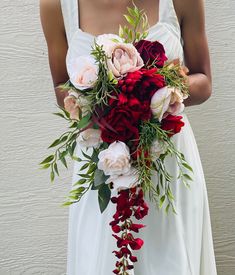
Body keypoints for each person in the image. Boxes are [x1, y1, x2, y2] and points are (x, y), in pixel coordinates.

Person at [40, 0, 218, 274]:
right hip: (101, 165)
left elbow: (203, 80)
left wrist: (155, 88)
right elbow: (61, 89)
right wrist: (107, 103)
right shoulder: (55, 5)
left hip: (167, 161)